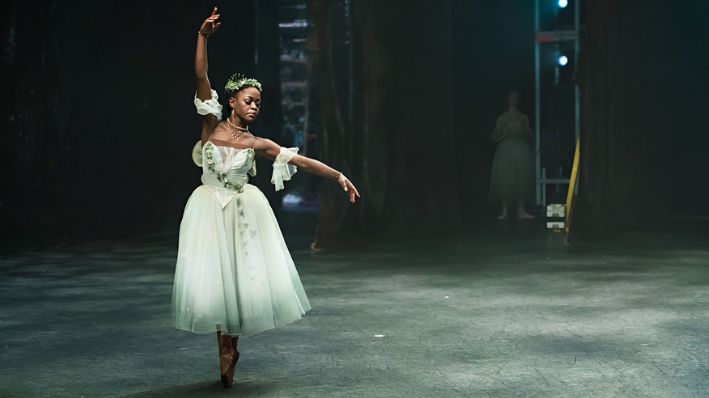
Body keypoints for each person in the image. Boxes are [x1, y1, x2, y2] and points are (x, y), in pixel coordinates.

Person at [171, 8, 360, 388]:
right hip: (209, 209)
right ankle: (223, 345)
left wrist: (338, 175)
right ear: (233, 101)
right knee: (215, 281)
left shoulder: (258, 143)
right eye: (249, 99)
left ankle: (231, 344)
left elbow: (302, 161)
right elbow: (200, 75)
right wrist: (202, 36)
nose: (255, 105)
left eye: (259, 101)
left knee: (238, 282)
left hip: (241, 212)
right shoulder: (210, 123)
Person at [489, 91, 535, 220]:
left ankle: (521, 210)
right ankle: (504, 210)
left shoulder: (523, 117)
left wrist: (522, 133)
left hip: (520, 148)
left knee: (520, 179)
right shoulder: (502, 118)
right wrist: (504, 134)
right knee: (506, 178)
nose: (513, 99)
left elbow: (529, 135)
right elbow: (494, 136)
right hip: (506, 149)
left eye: (516, 97)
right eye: (511, 96)